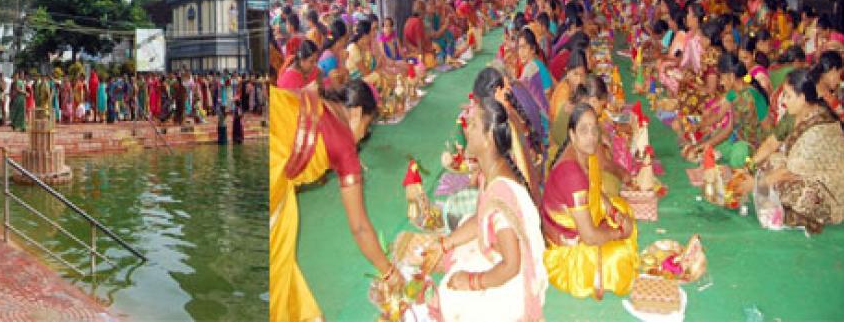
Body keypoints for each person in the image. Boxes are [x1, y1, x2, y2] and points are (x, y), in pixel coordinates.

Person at [269, 81, 403, 321]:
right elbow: (360, 227)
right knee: (276, 266)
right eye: (367, 126)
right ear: (357, 112)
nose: (363, 135)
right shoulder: (344, 146)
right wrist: (390, 272)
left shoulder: (315, 100)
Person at [431, 98, 547, 321]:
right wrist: (445, 243)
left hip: (515, 279)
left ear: (488, 140)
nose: (466, 129)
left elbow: (512, 266)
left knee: (450, 294)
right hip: (502, 254)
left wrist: (472, 281)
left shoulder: (500, 195)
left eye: (473, 124)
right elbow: (479, 218)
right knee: (458, 239)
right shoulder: (491, 171)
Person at [542, 102, 638, 299]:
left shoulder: (586, 154)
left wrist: (613, 214)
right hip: (567, 252)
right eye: (584, 130)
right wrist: (618, 232)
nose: (591, 136)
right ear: (572, 135)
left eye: (594, 129)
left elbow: (595, 191)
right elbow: (589, 237)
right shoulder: (571, 174)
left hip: (582, 224)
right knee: (619, 258)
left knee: (621, 207)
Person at [743, 68, 844, 233]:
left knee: (799, 195)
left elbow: (789, 172)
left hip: (830, 190)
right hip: (799, 170)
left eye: (787, 96)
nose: (783, 101)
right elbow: (771, 143)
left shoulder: (820, 127)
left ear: (802, 98)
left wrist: (757, 184)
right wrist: (749, 167)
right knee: (770, 162)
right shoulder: (794, 114)